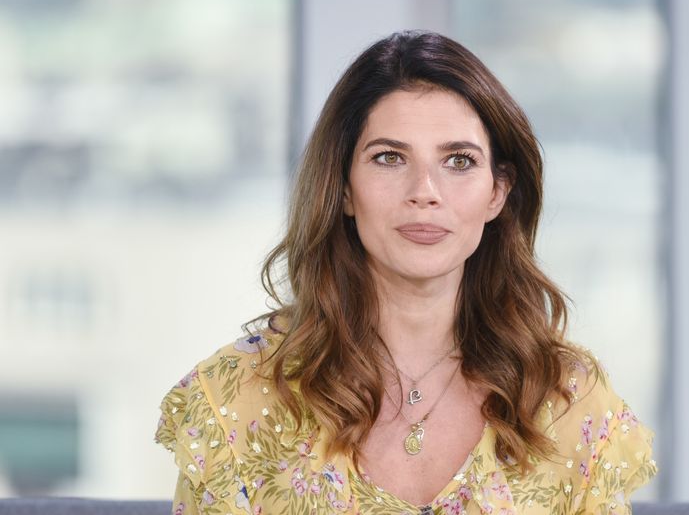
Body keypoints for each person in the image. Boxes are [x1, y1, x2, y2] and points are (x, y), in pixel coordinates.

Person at [155, 30, 656, 515]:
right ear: (343, 188)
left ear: (497, 193)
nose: (425, 191)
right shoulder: (235, 400)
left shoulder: (570, 402)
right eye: (390, 158)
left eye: (459, 161)